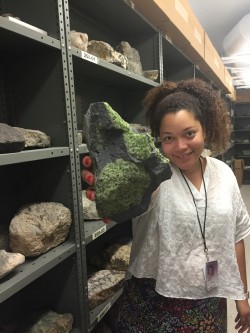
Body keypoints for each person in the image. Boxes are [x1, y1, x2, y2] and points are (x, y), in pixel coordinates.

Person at [82, 78, 250, 332]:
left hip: (209, 299)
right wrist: (112, 188)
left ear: (205, 129)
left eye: (189, 133)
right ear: (159, 138)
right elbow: (123, 204)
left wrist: (242, 296)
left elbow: (236, 238)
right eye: (169, 138)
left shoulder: (224, 174)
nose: (180, 146)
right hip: (154, 304)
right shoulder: (153, 177)